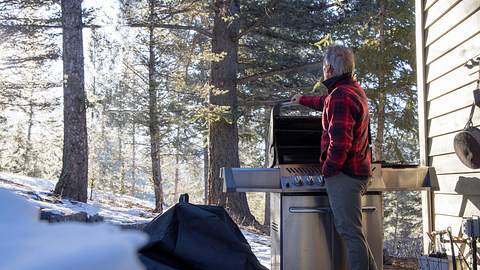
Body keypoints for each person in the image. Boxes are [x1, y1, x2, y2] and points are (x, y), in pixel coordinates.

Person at [291, 44, 378, 270]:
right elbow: (326, 103)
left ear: (328, 68)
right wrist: (303, 99)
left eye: (323, 67)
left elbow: (340, 145)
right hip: (357, 171)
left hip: (344, 175)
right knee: (355, 233)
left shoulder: (340, 96)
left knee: (351, 234)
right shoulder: (351, 90)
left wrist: (328, 170)